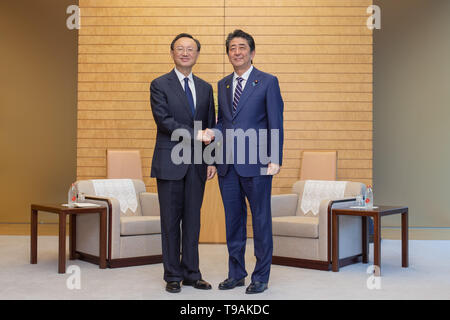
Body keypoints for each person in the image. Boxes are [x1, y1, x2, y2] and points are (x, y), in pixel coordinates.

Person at [213, 29, 284, 294]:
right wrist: (212, 132)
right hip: (228, 165)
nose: (237, 52)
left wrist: (275, 158)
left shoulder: (267, 81)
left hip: (258, 164)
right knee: (233, 221)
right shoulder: (223, 85)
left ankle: (261, 276)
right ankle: (236, 273)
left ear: (252, 52)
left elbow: (276, 121)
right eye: (232, 48)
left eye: (242, 47)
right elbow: (223, 121)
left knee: (261, 220)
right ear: (228, 53)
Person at [150, 33, 216, 293]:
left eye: (190, 49)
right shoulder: (159, 84)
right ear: (172, 53)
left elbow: (210, 126)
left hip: (197, 165)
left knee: (192, 220)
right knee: (170, 221)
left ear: (197, 54)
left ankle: (192, 273)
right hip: (169, 163)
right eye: (180, 49)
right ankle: (172, 276)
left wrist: (212, 160)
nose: (185, 53)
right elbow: (163, 121)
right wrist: (194, 134)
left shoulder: (205, 87)